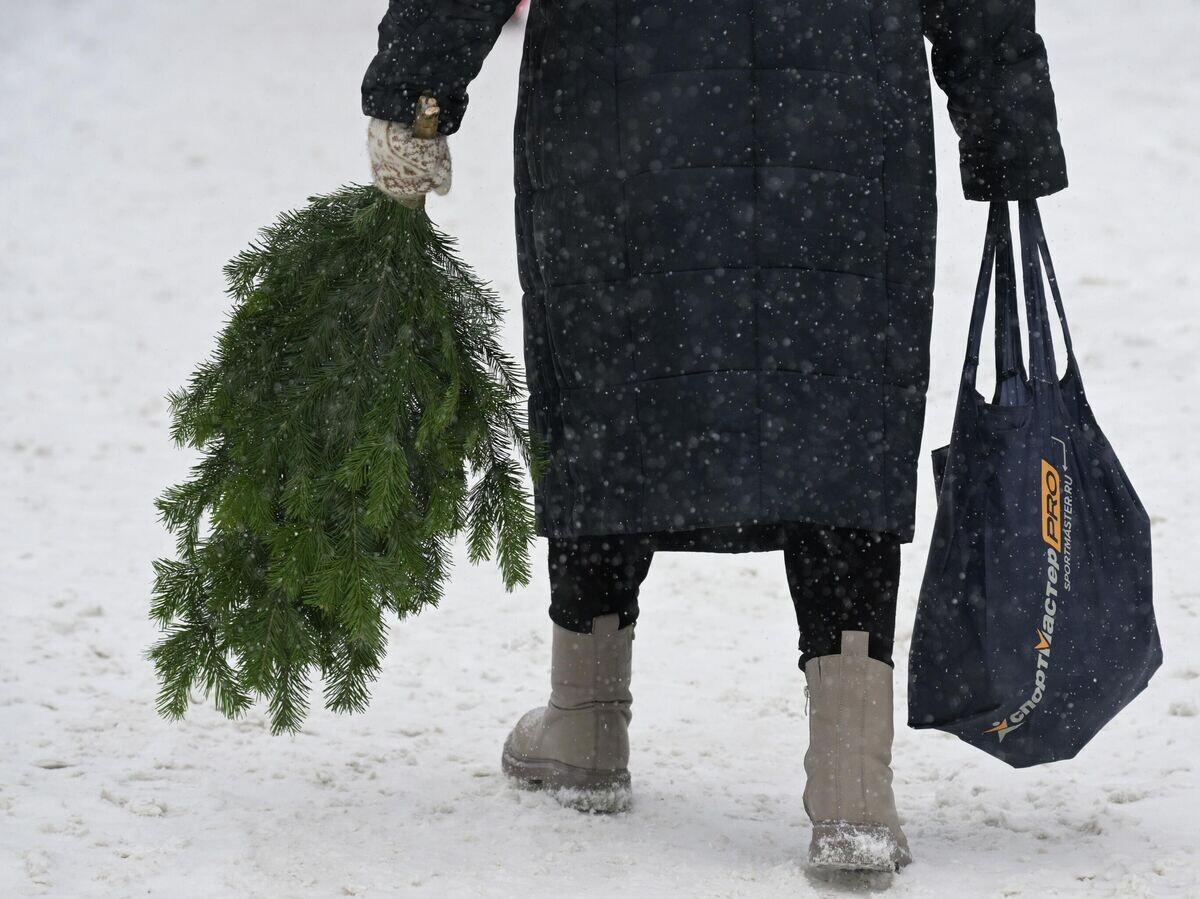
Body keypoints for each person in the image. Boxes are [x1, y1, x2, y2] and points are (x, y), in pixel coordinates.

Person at [362, 0, 1066, 874]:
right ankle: (853, 783)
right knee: (836, 406)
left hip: (619, 89)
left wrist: (418, 88)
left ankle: (585, 716)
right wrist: (1002, 107)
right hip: (841, 92)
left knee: (611, 383)